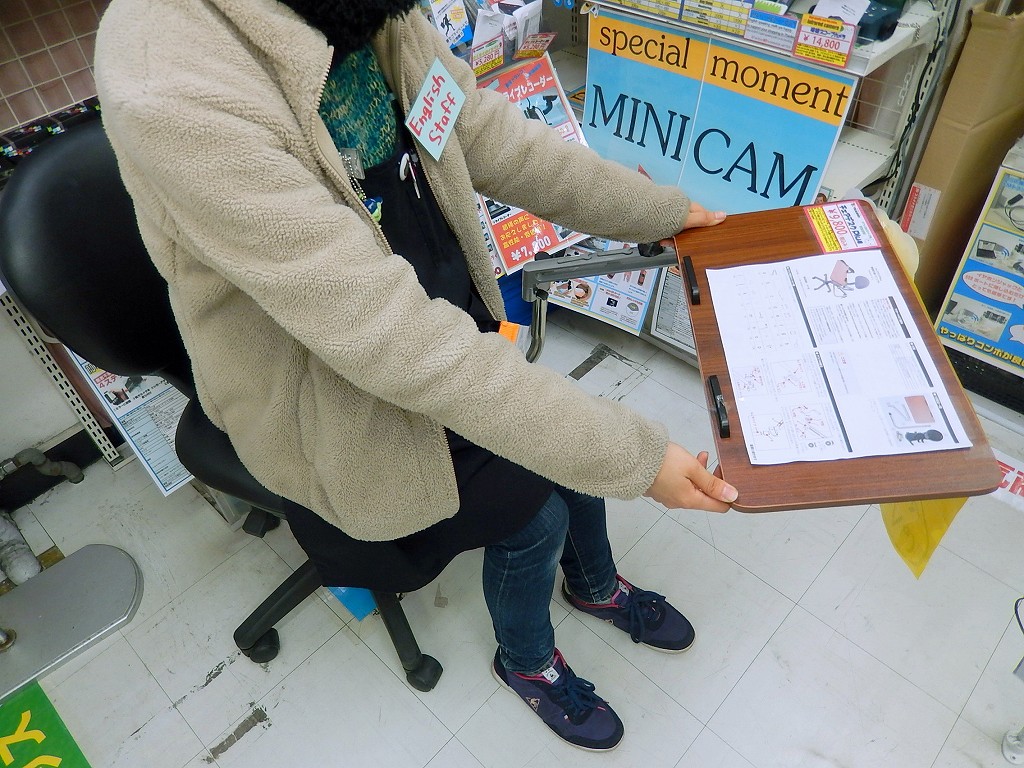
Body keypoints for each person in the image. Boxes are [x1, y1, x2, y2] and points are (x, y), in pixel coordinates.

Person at [95, 0, 738, 751]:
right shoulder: (169, 79)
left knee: (575, 459)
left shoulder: (366, 11)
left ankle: (595, 586)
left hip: (428, 317)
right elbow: (378, 328)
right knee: (539, 516)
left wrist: (657, 211)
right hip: (326, 386)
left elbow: (479, 131)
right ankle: (527, 662)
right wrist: (635, 456)